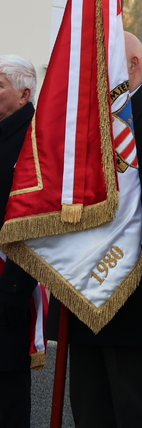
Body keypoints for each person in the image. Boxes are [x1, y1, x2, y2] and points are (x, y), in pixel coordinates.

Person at [58, 33, 142, 428]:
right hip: (81, 272)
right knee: (88, 397)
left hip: (131, 274)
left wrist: (98, 204)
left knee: (132, 396)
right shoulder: (89, 115)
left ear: (132, 64)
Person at [0, 55, 37, 427]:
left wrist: (14, 287)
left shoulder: (36, 141)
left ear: (24, 94)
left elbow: (33, 219)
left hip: (10, 283)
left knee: (7, 383)